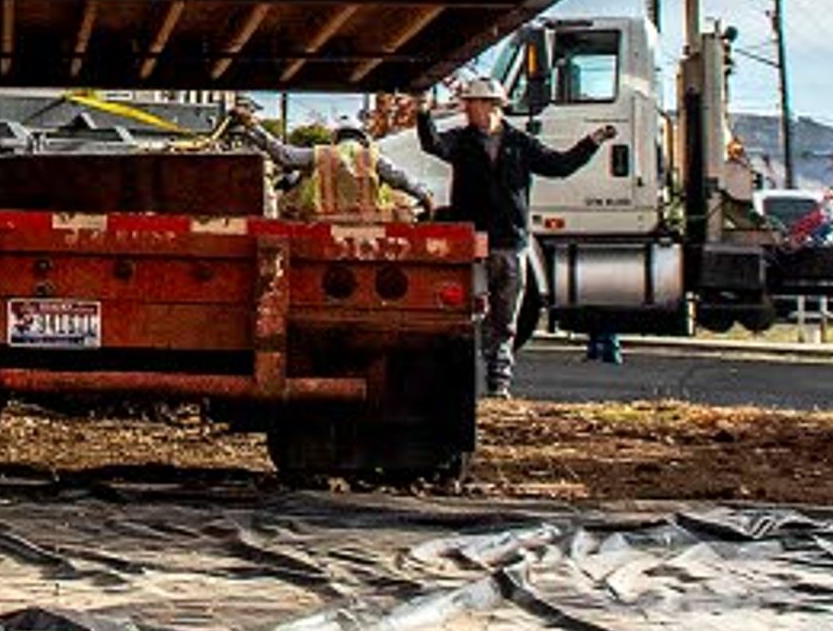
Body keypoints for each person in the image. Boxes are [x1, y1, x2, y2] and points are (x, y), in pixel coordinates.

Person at [407, 74, 614, 397]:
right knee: (466, 315)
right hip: (471, 243)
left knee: (505, 319)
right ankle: (459, 385)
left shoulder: (519, 143)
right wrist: (422, 112)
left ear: (493, 107)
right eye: (469, 105)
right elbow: (432, 143)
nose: (470, 111)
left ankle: (498, 383)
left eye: (474, 104)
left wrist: (592, 142)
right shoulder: (462, 140)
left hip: (510, 242)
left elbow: (559, 166)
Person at [237, 112, 429, 221]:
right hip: (367, 228)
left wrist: (254, 127)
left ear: (335, 138)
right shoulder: (373, 157)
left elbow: (284, 156)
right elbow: (402, 180)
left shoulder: (322, 154)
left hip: (321, 224)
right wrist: (424, 195)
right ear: (363, 138)